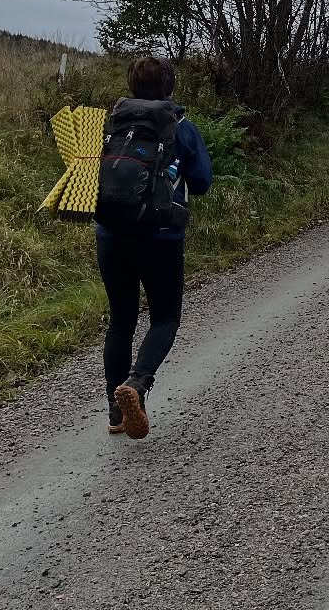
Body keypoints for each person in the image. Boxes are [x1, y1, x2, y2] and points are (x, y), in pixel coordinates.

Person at [97, 56, 212, 439]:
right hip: (161, 238)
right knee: (164, 318)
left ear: (131, 88)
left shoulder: (110, 125)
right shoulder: (182, 128)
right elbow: (201, 183)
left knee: (121, 321)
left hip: (111, 234)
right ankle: (138, 384)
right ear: (170, 88)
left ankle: (116, 413)